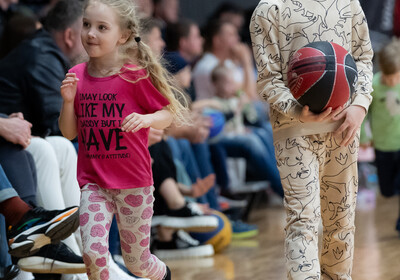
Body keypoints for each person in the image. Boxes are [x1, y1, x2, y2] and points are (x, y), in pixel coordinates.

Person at [58, 0, 189, 279]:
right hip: (94, 185)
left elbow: (167, 113)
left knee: (137, 263)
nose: (91, 33)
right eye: (86, 25)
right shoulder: (77, 76)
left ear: (123, 35)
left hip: (134, 185)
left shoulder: (135, 77)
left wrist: (147, 119)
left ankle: (164, 275)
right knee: (93, 256)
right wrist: (68, 103)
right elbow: (69, 133)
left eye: (101, 27)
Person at [250, 1, 373, 279]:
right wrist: (297, 111)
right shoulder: (269, 10)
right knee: (302, 221)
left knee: (341, 223)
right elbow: (267, 80)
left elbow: (363, 57)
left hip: (344, 128)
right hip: (294, 132)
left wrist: (360, 105)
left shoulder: (348, 3)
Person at [0, 0, 85, 137]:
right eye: (86, 30)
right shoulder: (42, 58)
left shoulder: (44, 51)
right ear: (69, 36)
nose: (92, 39)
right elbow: (58, 127)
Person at [360, 38, 400, 235]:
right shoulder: (374, 86)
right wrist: (363, 137)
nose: (391, 82)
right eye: (387, 76)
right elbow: (363, 114)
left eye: (395, 77)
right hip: (383, 145)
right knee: (386, 190)